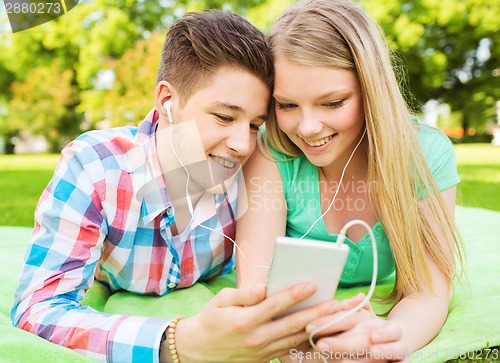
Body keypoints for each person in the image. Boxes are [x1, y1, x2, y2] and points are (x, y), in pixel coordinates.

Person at [11, 10, 343, 363]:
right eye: (224, 117)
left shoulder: (255, 169)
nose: (242, 145)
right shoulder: (95, 168)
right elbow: (39, 309)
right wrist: (177, 342)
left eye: (253, 125)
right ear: (168, 101)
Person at [236, 0, 464, 361]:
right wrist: (301, 349)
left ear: (372, 92)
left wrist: (384, 338)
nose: (308, 128)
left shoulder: (425, 154)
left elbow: (429, 291)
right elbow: (256, 286)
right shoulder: (272, 153)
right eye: (288, 105)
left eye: (332, 103)